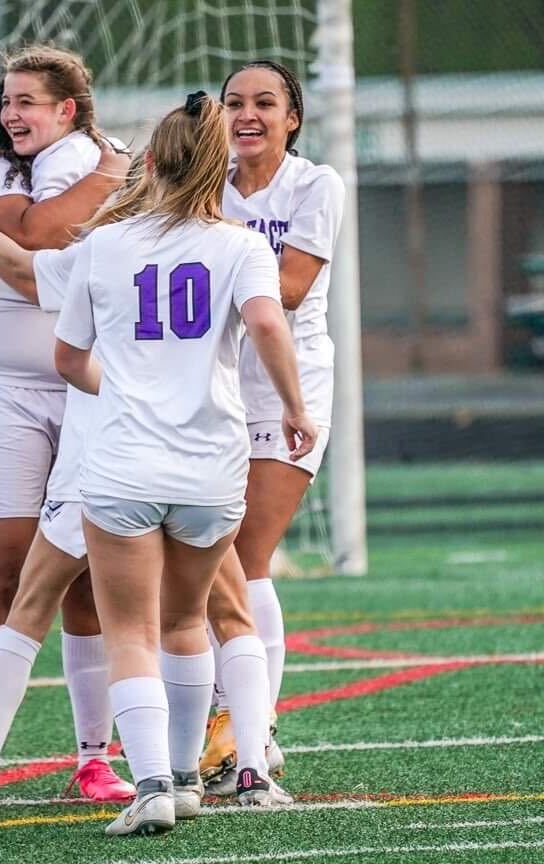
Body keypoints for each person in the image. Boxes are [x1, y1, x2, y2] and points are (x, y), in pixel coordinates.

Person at [57, 93, 314, 836]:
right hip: (212, 465)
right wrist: (295, 409)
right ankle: (186, 781)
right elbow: (268, 320)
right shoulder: (240, 244)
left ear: (150, 162)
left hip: (125, 463)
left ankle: (153, 788)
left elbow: (68, 358)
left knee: (128, 631)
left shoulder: (104, 244)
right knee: (188, 621)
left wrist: (127, 392)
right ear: (217, 163)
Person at [0, 49, 134, 809]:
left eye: (28, 101)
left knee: (88, 577)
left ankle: (93, 760)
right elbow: (36, 239)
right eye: (8, 102)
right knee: (3, 575)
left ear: (67, 110)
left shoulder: (78, 165)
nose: (14, 114)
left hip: (81, 388)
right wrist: (113, 171)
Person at [200, 59, 347, 794]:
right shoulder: (203, 180)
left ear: (292, 118)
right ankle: (232, 727)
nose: (247, 113)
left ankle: (247, 731)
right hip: (213, 388)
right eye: (234, 102)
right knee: (206, 560)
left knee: (244, 554)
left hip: (292, 387)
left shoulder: (315, 185)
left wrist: (205, 224)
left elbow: (286, 290)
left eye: (265, 102)